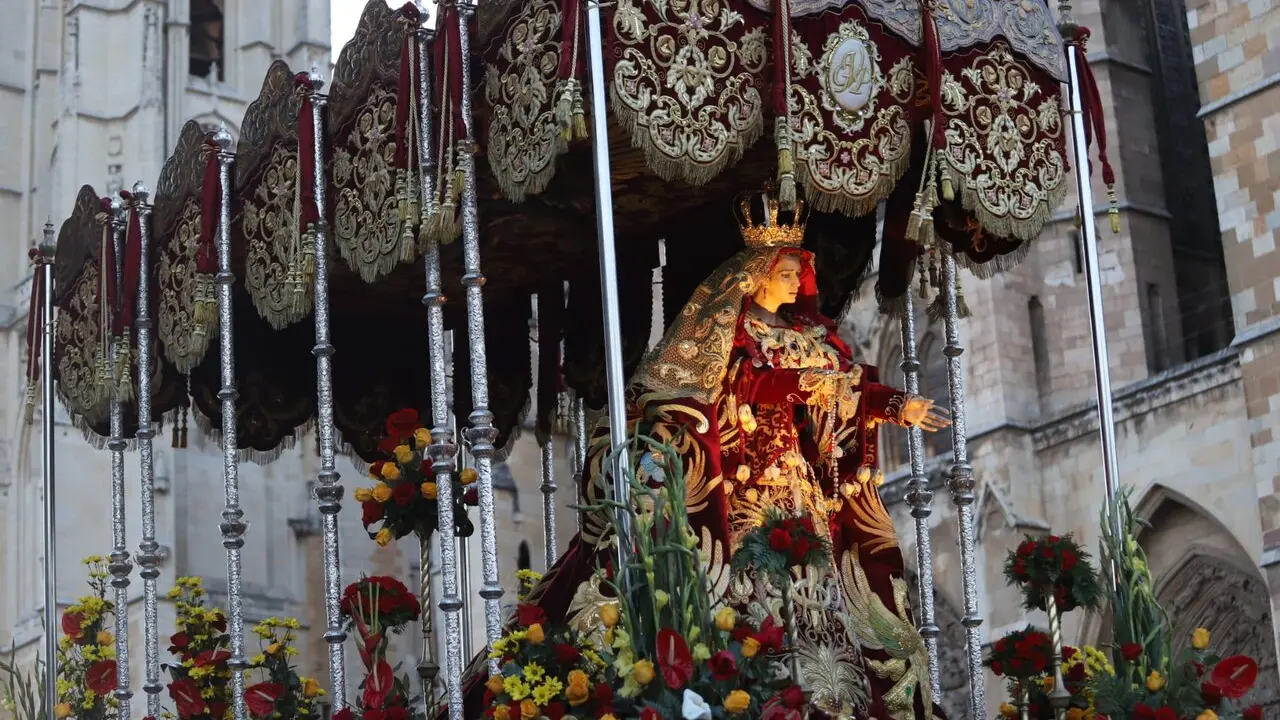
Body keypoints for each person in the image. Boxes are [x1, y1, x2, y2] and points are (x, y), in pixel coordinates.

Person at [469, 190, 951, 720]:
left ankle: (826, 690)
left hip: (798, 484)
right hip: (746, 486)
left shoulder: (810, 335)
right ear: (757, 276)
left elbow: (849, 386)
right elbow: (735, 387)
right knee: (750, 584)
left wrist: (898, 405)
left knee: (818, 587)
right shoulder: (730, 334)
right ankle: (754, 677)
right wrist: (801, 384)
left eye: (799, 273)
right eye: (787, 273)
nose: (797, 282)